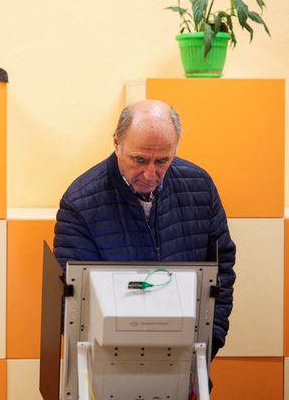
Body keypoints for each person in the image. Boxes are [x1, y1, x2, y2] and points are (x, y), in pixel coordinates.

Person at [54, 99, 236, 360]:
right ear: (117, 143)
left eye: (162, 160)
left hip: (189, 360)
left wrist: (210, 340)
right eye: (139, 159)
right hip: (108, 365)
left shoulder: (200, 187)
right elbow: (73, 302)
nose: (150, 174)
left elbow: (222, 269)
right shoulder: (80, 204)